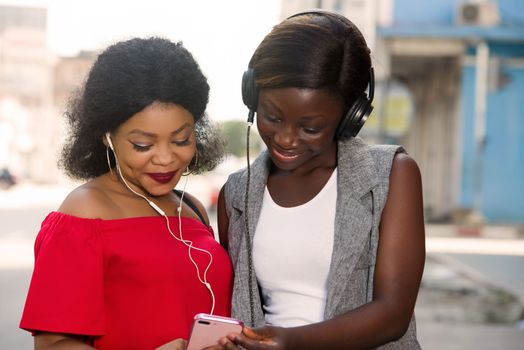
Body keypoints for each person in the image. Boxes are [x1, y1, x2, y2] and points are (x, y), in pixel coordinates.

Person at [217, 10, 425, 349]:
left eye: (310, 128)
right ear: (252, 96)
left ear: (350, 117)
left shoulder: (392, 175)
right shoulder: (237, 193)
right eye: (272, 117)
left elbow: (393, 314)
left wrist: (291, 342)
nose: (285, 138)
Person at [20, 37, 233, 350]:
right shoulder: (83, 213)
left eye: (181, 140)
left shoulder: (192, 208)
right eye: (143, 145)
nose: (165, 158)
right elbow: (53, 345)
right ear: (107, 137)